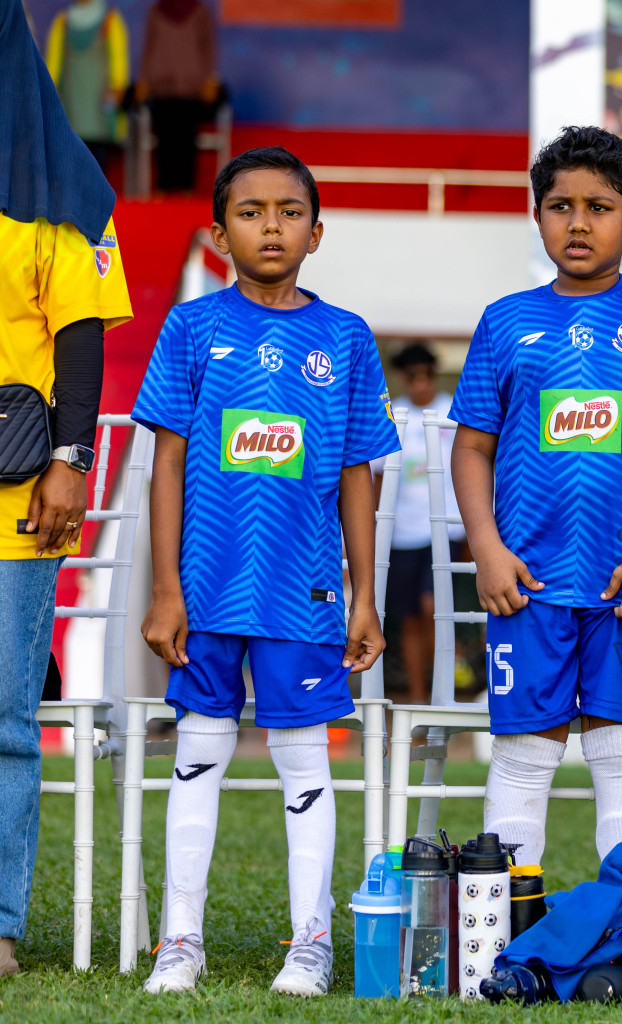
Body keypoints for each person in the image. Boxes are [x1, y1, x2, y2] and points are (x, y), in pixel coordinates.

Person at [132, 147, 399, 996]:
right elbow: (165, 463)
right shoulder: (191, 328)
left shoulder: (346, 336)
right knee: (198, 757)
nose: (271, 226)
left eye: (289, 212)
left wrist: (363, 595)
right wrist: (166, 589)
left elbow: (360, 472)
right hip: (207, 587)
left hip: (305, 591)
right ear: (218, 234)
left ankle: (310, 943)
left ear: (317, 232)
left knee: (303, 764)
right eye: (251, 212)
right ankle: (180, 942)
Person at [451, 128, 622, 878]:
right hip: (526, 584)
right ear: (536, 217)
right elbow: (470, 449)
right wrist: (487, 549)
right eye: (559, 206)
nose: (577, 222)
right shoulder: (506, 321)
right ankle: (502, 935)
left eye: (598, 207)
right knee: (524, 750)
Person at [0, 0, 132, 976]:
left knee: (4, 715)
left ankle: (0, 921)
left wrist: (70, 459)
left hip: (17, 495)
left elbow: (80, 339)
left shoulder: (60, 189)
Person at [371, 343, 461, 706]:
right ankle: (419, 697)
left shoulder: (453, 410)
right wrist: (374, 529)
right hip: (401, 533)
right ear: (402, 379)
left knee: (434, 610)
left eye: (427, 376)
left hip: (446, 529)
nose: (421, 384)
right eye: (413, 377)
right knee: (408, 619)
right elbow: (377, 476)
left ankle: (444, 692)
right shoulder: (393, 415)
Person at [136, 0, 219, 193]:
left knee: (186, 143)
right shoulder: (156, 12)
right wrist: (144, 81)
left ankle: (186, 193)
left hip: (192, 90)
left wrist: (209, 79)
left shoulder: (199, 12)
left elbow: (207, 47)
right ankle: (164, 192)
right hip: (161, 90)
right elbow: (149, 47)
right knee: (164, 143)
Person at [44, 0, 129, 172]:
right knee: (70, 164)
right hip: (71, 108)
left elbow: (119, 63)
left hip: (101, 110)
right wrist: (51, 91)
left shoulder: (110, 20)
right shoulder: (63, 22)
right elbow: (52, 66)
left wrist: (117, 88)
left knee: (99, 164)